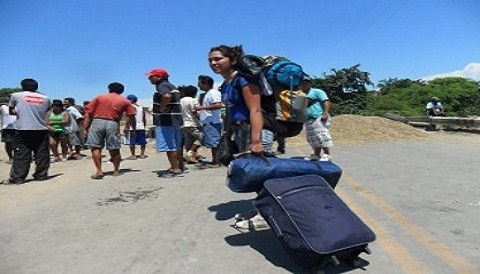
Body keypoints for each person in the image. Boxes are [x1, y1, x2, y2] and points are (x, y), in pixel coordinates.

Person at [209, 45, 275, 230]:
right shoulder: (224, 85)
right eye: (211, 60)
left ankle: (269, 215)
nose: (214, 63)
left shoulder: (244, 79)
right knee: (254, 174)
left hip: (254, 130)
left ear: (233, 60)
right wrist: (226, 133)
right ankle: (261, 210)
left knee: (263, 173)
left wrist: (256, 141)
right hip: (238, 131)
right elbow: (224, 109)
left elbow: (255, 109)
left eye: (218, 59)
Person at [1, 78, 51, 185]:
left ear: (22, 86)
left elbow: (11, 111)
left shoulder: (16, 96)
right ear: (37, 87)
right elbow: (46, 112)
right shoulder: (45, 98)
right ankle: (41, 175)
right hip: (41, 129)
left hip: (23, 129)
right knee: (42, 153)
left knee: (21, 154)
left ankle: (17, 178)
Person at [83, 82, 136, 179]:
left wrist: (85, 128)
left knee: (95, 147)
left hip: (97, 122)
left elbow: (89, 113)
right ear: (122, 91)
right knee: (114, 147)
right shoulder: (125, 101)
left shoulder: (100, 97)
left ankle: (99, 171)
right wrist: (134, 129)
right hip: (113, 123)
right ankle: (116, 171)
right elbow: (131, 116)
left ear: (109, 89)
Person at [146, 68, 185, 178]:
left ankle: (175, 168)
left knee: (169, 145)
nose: (149, 78)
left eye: (151, 76)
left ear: (159, 77)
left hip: (166, 120)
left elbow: (166, 96)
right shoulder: (171, 86)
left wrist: (162, 108)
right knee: (176, 145)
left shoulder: (161, 85)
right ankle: (179, 165)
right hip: (175, 120)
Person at [302, 76, 333, 161]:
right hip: (308, 119)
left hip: (319, 116)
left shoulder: (317, 91)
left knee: (321, 136)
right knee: (313, 138)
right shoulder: (301, 94)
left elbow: (326, 101)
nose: (304, 83)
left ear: (310, 83)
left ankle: (327, 154)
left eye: (306, 82)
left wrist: (325, 113)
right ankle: (316, 154)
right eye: (302, 82)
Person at [195, 75, 222, 168]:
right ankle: (215, 160)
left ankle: (216, 161)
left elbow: (218, 105)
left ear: (205, 83)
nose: (198, 86)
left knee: (214, 142)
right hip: (208, 122)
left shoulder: (213, 93)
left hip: (213, 121)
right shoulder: (208, 93)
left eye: (199, 83)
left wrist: (201, 108)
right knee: (212, 141)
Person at [178, 85, 203, 164]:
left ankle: (191, 158)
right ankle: (190, 153)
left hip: (184, 124)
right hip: (193, 123)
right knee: (201, 137)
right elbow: (195, 111)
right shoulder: (193, 100)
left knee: (188, 141)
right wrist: (200, 119)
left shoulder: (180, 101)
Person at [125, 94, 147, 160]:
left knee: (132, 142)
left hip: (133, 127)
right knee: (142, 141)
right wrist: (144, 125)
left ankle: (133, 155)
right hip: (141, 126)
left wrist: (126, 126)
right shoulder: (141, 107)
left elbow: (130, 117)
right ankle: (142, 154)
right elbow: (144, 117)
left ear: (131, 100)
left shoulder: (131, 107)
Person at [1, 96, 17, 164]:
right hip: (6, 128)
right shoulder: (3, 107)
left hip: (17, 127)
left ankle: (18, 157)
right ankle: (11, 157)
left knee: (17, 144)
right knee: (8, 143)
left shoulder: (18, 107)